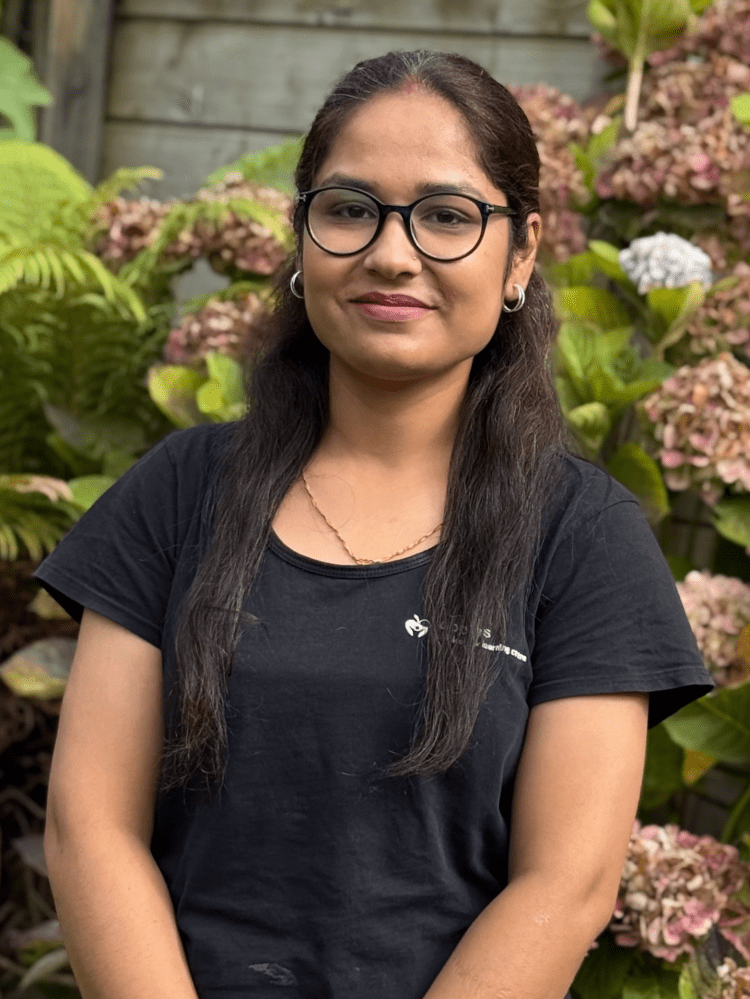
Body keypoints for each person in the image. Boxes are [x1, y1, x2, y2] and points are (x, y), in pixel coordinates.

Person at [35, 49, 714, 999]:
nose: (392, 254)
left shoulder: (583, 535)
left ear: (520, 253)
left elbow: (566, 884)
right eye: (351, 209)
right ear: (303, 236)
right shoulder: (180, 491)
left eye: (448, 215)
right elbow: (90, 826)